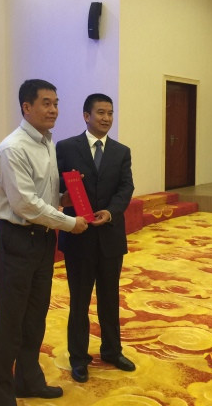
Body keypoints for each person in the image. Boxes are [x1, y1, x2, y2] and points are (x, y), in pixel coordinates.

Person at [0, 79, 89, 406]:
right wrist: (70, 223)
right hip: (17, 239)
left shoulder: (46, 142)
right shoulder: (12, 148)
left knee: (35, 316)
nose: (54, 110)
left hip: (43, 239)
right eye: (46, 103)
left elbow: (42, 196)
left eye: (56, 103)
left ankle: (28, 380)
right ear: (26, 107)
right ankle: (0, 397)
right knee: (10, 321)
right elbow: (25, 205)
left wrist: (64, 198)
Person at [56, 93, 135, 383]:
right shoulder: (66, 147)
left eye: (110, 113)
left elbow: (126, 188)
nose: (106, 118)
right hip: (79, 237)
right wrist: (63, 196)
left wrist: (111, 212)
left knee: (109, 298)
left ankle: (112, 351)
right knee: (79, 301)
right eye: (100, 112)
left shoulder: (121, 151)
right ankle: (78, 358)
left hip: (110, 237)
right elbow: (54, 183)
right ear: (86, 115)